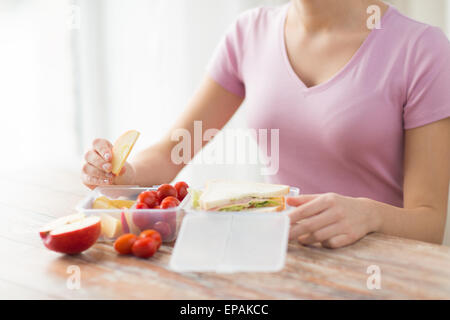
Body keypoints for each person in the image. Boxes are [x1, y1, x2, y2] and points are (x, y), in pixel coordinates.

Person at [81, 0, 450, 248]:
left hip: (381, 270)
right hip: (280, 260)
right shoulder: (249, 33)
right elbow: (171, 152)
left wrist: (369, 214)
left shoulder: (421, 49)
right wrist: (124, 172)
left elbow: (429, 224)